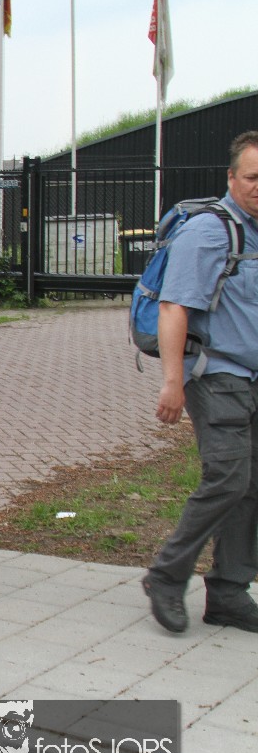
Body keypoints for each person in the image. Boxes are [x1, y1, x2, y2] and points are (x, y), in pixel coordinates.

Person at [144, 130, 258, 635]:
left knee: (251, 486)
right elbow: (173, 307)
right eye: (252, 177)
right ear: (232, 178)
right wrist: (173, 382)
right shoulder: (210, 233)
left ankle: (230, 592)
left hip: (252, 377)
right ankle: (167, 576)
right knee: (228, 478)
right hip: (217, 375)